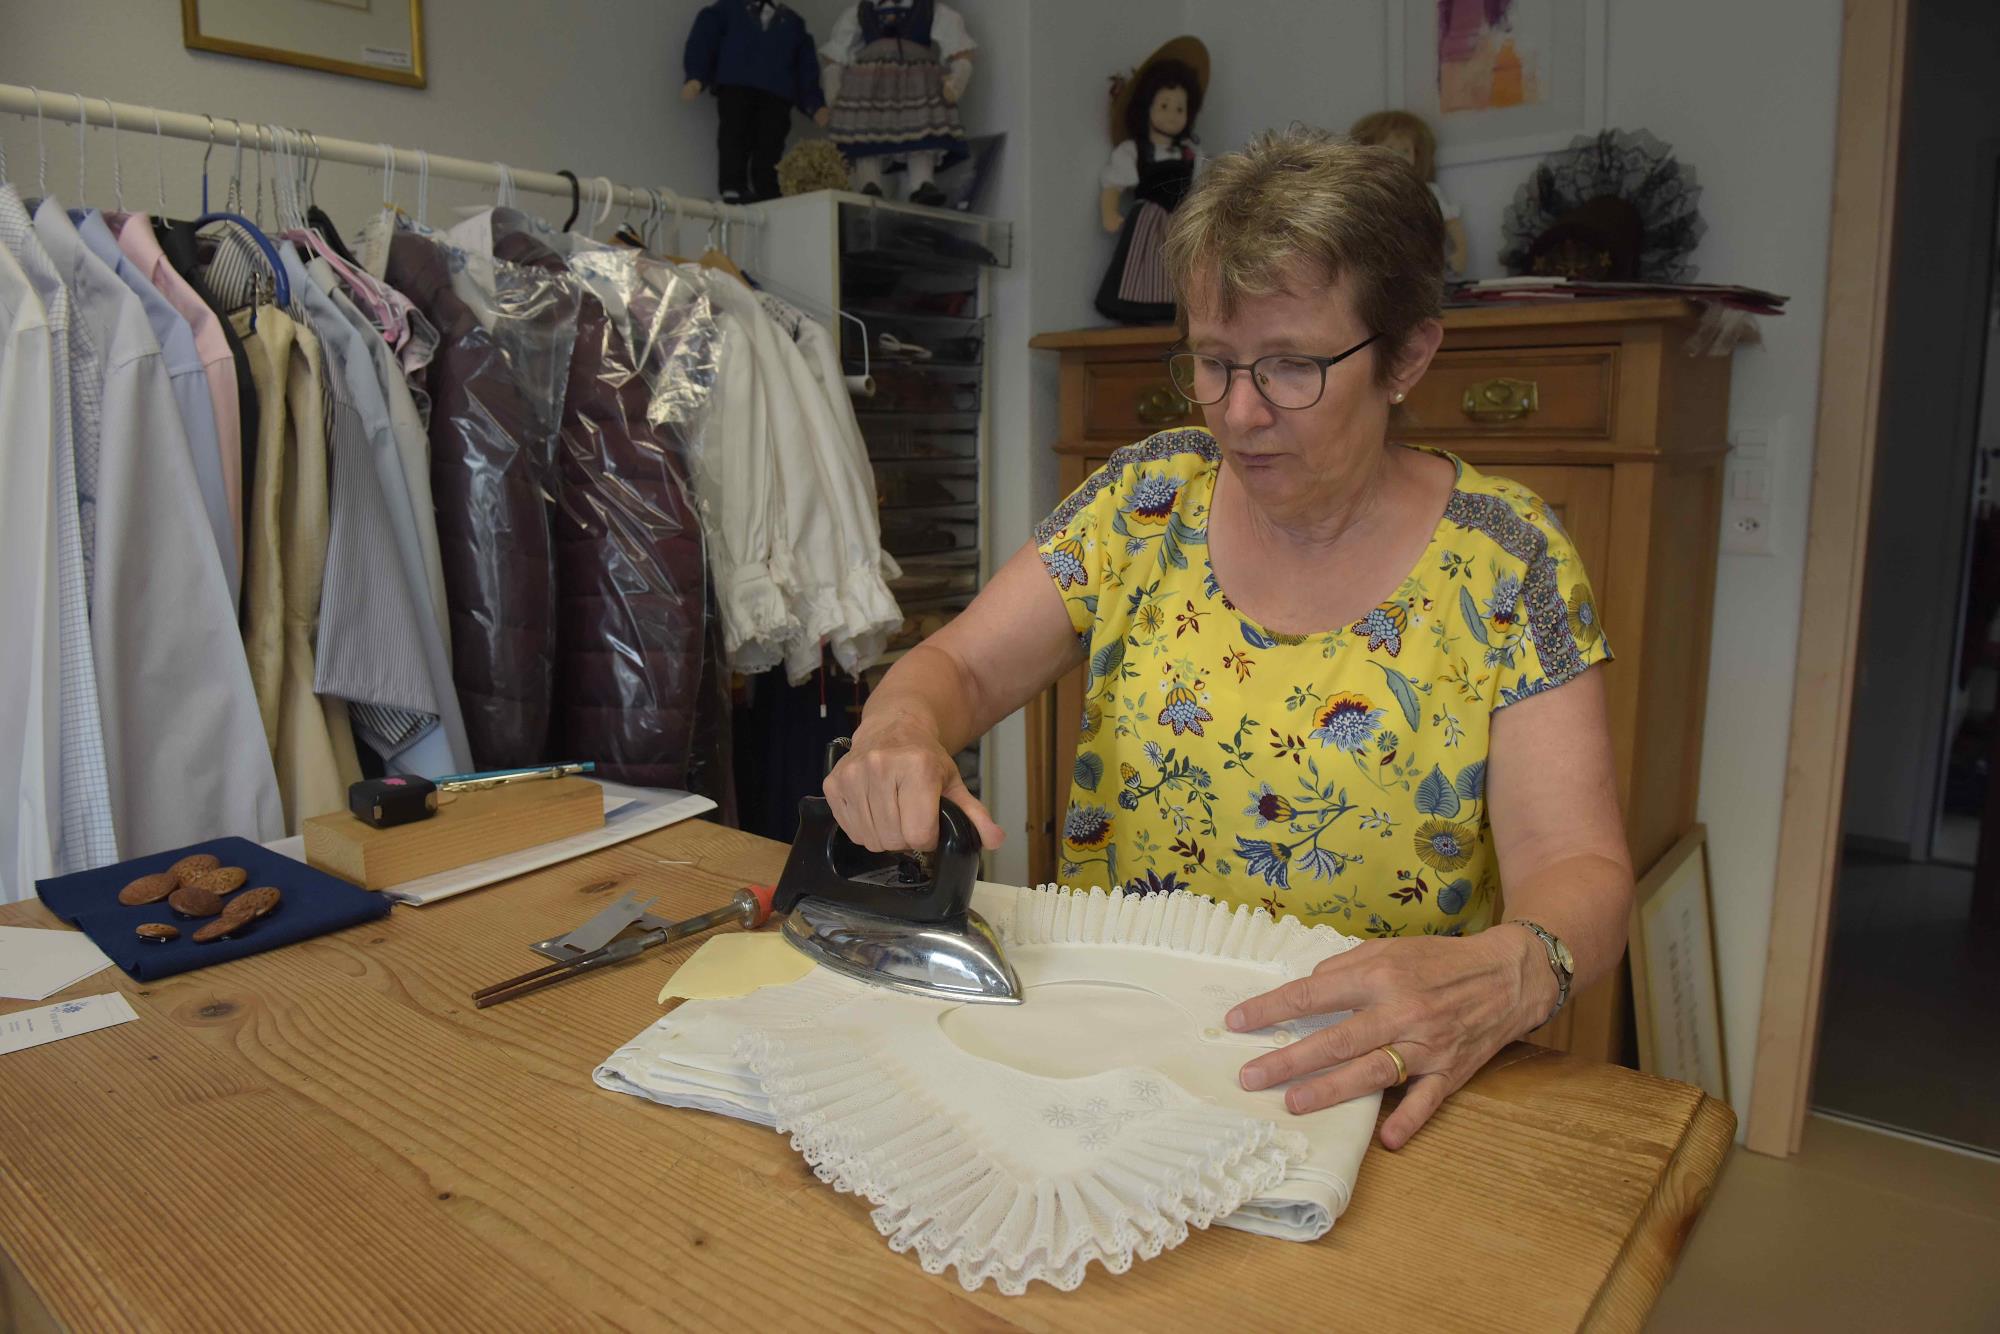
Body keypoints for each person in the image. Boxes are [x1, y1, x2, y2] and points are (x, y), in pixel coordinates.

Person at [826, 126, 1634, 1150]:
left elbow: (1578, 864)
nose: (1239, 412)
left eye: (1292, 367)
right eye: (1213, 362)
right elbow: (960, 666)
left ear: (1406, 356)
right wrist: (899, 725)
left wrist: (1516, 967)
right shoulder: (1145, 500)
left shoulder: (1505, 562)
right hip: (1109, 1055)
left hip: (1361, 1081)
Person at [1095, 37, 1207, 324]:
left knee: (1181, 268)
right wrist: (1110, 213)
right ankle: (1138, 309)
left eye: (1180, 109)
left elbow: (1203, 191)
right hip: (1148, 221)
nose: (1172, 116)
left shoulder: (1191, 155)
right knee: (1144, 264)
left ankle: (1177, 312)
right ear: (1147, 107)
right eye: (1164, 105)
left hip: (1180, 223)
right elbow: (1113, 185)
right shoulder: (1135, 151)